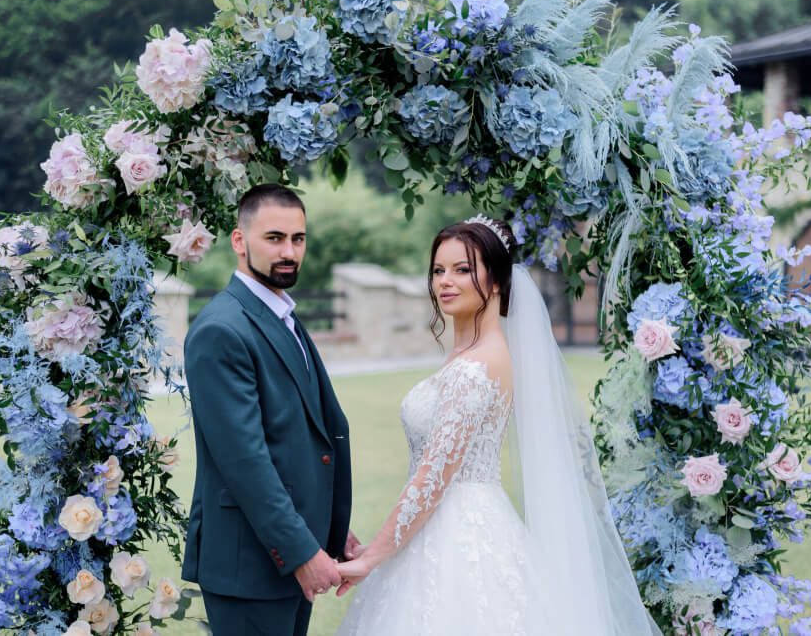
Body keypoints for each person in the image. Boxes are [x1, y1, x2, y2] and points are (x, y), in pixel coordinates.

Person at [334, 216, 660, 635]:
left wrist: (372, 555)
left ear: (496, 282)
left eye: (463, 269)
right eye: (439, 270)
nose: (446, 281)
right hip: (432, 528)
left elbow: (434, 474)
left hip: (462, 534)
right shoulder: (464, 356)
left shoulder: (480, 365)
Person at [181, 183, 358, 636]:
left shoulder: (281, 314)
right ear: (240, 242)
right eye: (274, 238)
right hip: (251, 566)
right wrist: (301, 552)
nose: (289, 251)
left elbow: (303, 435)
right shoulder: (221, 330)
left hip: (287, 553)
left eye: (298, 239)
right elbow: (246, 462)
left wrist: (329, 531)